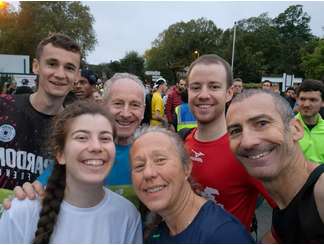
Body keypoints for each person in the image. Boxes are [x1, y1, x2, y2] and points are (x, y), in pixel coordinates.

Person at [0, 101, 142, 243]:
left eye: (105, 138)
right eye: (81, 137)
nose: (96, 147)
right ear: (60, 154)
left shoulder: (128, 215)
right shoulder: (22, 211)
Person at [183, 54, 275, 231]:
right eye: (195, 87)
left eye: (214, 86)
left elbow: (289, 208)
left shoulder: (247, 150)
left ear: (229, 93)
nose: (203, 95)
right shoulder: (182, 142)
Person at [226, 89, 324, 243]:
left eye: (262, 123)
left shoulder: (320, 193)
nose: (247, 142)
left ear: (296, 130)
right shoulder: (284, 204)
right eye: (236, 130)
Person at [34, 73, 145, 206]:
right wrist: (28, 192)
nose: (126, 113)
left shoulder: (152, 152)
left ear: (143, 110)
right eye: (118, 103)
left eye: (135, 105)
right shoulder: (81, 151)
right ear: (103, 106)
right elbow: (38, 191)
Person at [130, 126, 254, 243]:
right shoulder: (156, 231)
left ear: (187, 168)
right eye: (139, 166)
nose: (148, 173)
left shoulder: (225, 235)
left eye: (160, 160)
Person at [0, 33, 81, 189]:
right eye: (52, 64)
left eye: (69, 68)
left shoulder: (75, 128)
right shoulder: (4, 106)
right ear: (36, 66)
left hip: (46, 212)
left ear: (77, 75)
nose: (60, 74)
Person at [295, 79, 324, 163]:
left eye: (313, 100)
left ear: (322, 102)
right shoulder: (286, 128)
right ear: (297, 99)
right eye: (302, 99)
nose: (306, 104)